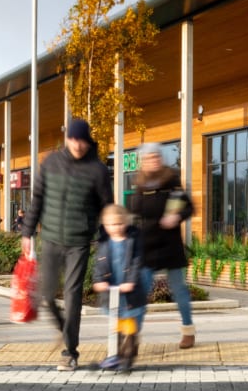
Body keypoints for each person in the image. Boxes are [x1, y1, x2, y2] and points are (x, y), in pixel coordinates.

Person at [20, 118, 114, 371]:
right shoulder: (50, 163)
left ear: (88, 140)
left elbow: (108, 207)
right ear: (67, 139)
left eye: (82, 140)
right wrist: (27, 232)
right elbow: (37, 199)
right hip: (50, 238)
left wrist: (109, 238)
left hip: (78, 242)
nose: (78, 145)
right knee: (47, 295)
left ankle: (69, 351)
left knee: (72, 296)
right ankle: (65, 332)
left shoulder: (97, 170)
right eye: (74, 139)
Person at [128, 142, 198, 348]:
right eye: (149, 158)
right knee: (141, 294)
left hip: (170, 246)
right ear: (143, 162)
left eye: (156, 156)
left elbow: (190, 208)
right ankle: (132, 338)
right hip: (147, 247)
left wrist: (177, 216)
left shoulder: (172, 180)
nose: (153, 160)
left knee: (179, 291)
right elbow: (135, 215)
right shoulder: (139, 185)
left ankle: (188, 332)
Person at [92, 204, 146, 373]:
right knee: (115, 326)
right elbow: (99, 265)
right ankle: (114, 355)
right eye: (112, 225)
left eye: (119, 224)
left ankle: (127, 356)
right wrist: (99, 280)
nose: (116, 228)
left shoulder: (132, 241)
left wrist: (131, 281)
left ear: (126, 222)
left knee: (129, 326)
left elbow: (136, 263)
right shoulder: (104, 244)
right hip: (113, 292)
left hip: (129, 294)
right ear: (106, 226)